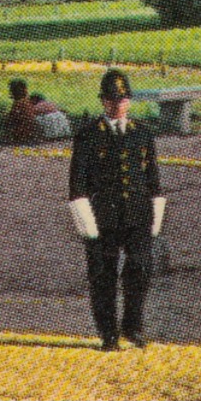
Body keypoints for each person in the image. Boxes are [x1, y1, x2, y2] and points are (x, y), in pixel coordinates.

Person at [68, 69, 165, 350]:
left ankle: (132, 327)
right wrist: (86, 222)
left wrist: (155, 210)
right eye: (111, 100)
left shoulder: (142, 134)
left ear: (129, 102)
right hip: (103, 215)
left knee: (140, 268)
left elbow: (153, 178)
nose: (116, 104)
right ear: (103, 102)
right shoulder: (88, 136)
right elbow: (77, 183)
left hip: (137, 212)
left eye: (121, 100)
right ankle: (108, 333)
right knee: (103, 275)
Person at [3, 79, 39, 144]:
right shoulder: (27, 100)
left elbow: (12, 118)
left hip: (23, 133)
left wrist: (5, 116)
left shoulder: (18, 103)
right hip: (32, 131)